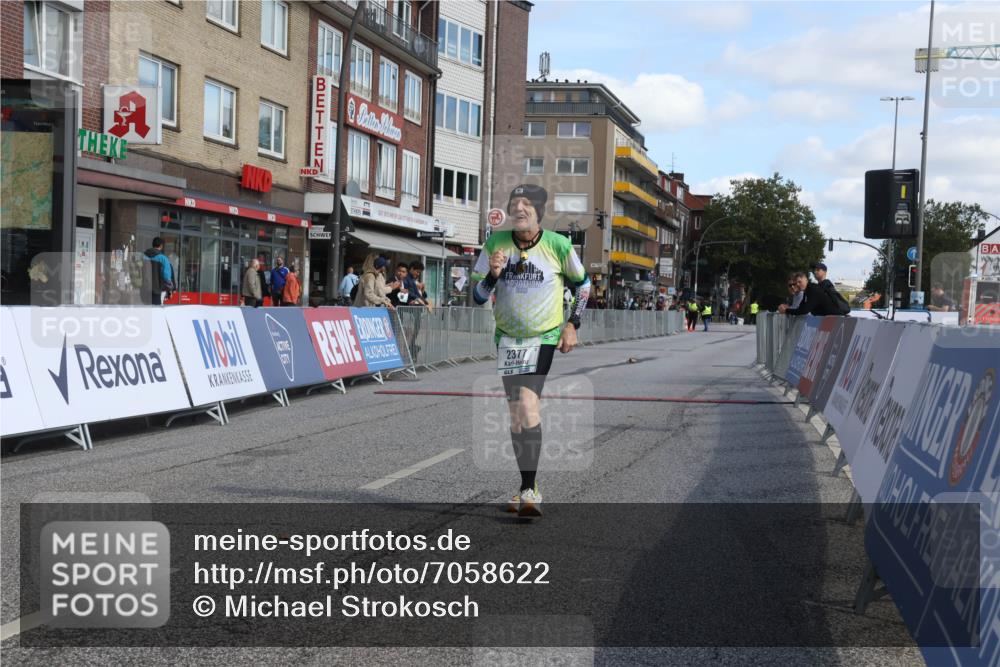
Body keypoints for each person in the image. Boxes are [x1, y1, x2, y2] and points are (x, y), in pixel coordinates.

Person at [472, 184, 590, 517]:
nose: (519, 208)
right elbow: (477, 296)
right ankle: (528, 485)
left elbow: (583, 285)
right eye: (515, 203)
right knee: (516, 417)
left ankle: (528, 490)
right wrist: (492, 276)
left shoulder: (558, 244)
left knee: (527, 404)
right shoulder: (495, 243)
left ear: (539, 211)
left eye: (527, 203)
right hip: (508, 339)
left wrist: (572, 324)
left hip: (544, 336)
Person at [143, 237, 174, 305]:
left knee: (145, 308)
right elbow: (166, 276)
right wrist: (170, 290)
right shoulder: (163, 258)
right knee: (156, 309)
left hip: (144, 288)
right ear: (161, 246)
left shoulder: (144, 256)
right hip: (156, 289)